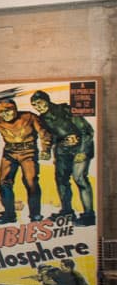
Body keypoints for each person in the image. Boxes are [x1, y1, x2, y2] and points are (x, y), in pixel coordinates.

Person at [29, 90, 97, 225]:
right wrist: (47, 150)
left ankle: (89, 215)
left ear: (47, 100)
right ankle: (67, 211)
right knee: (61, 180)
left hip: (81, 147)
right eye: (34, 105)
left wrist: (82, 151)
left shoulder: (65, 109)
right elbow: (49, 137)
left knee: (80, 178)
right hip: (62, 151)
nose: (38, 107)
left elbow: (87, 131)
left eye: (39, 103)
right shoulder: (41, 119)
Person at [0, 99, 48, 222]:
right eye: (1, 112)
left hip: (28, 153)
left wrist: (46, 149)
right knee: (4, 182)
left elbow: (44, 133)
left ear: (15, 109)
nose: (5, 114)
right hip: (9, 153)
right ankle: (9, 215)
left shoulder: (29, 117)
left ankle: (35, 215)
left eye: (8, 111)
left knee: (31, 182)